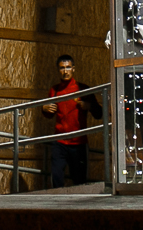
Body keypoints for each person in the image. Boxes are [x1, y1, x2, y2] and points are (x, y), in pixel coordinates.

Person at [40, 53, 101, 187]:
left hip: (78, 142)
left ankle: (78, 201)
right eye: (62, 68)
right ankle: (57, 200)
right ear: (58, 70)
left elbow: (99, 114)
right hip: (59, 141)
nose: (65, 71)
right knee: (56, 178)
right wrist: (44, 109)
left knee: (79, 181)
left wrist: (89, 106)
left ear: (73, 68)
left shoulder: (83, 89)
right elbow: (49, 114)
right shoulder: (54, 90)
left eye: (68, 67)